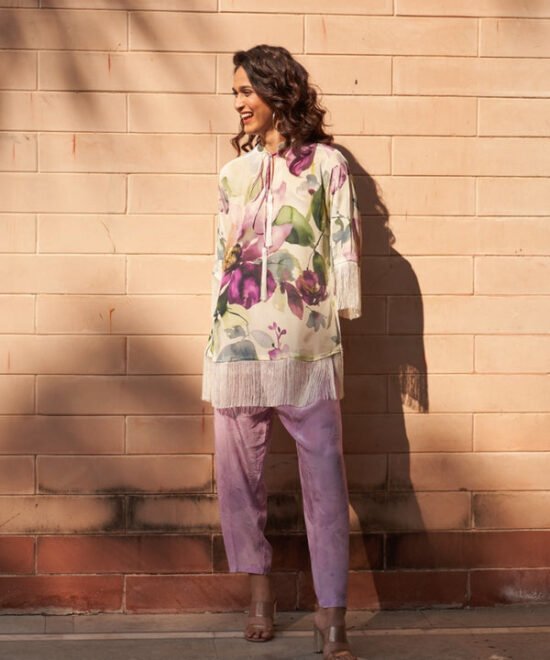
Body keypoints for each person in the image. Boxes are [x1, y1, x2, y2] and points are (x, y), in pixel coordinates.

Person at [202, 44, 362, 660]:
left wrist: (338, 310)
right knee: (237, 481)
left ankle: (332, 615)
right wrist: (215, 336)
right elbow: (221, 263)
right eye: (236, 93)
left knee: (326, 481)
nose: (239, 103)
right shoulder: (232, 174)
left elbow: (342, 242)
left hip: (306, 348)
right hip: (237, 350)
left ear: (277, 91)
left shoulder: (327, 164)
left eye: (247, 91)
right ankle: (260, 596)